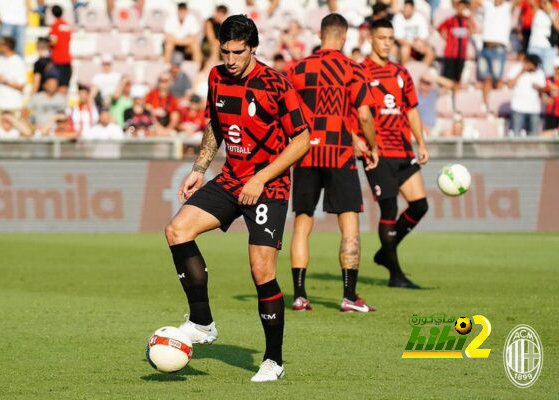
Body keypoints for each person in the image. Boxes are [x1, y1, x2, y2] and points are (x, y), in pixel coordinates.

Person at [164, 15, 310, 382]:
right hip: (231, 180)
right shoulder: (216, 77)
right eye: (225, 51)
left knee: (261, 271)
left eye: (238, 52)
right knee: (177, 230)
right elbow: (215, 122)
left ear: (253, 49)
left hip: (268, 186)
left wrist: (261, 178)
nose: (230, 59)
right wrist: (200, 167)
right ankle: (201, 321)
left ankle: (273, 360)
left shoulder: (276, 84)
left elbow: (302, 140)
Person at [286, 13, 379, 313]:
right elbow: (364, 115)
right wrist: (372, 146)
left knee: (302, 223)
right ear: (344, 36)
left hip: (305, 153)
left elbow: (288, 113)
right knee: (349, 224)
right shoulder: (353, 69)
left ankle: (299, 295)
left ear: (320, 33)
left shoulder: (297, 69)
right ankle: (349, 297)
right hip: (338, 153)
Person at [361, 19, 429, 289]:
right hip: (378, 152)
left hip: (402, 149)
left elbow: (411, 109)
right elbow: (355, 112)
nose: (387, 42)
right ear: (371, 39)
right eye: (382, 37)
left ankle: (385, 253)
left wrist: (421, 143)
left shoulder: (401, 73)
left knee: (420, 206)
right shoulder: (361, 72)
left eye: (391, 38)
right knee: (389, 208)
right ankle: (395, 274)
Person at [476, 0, 512, 105]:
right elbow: (475, 2)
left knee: (497, 79)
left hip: (498, 48)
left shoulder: (507, 7)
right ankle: (485, 104)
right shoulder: (487, 4)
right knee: (486, 78)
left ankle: (495, 105)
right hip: (485, 47)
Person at [437, 0, 474, 88]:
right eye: (459, 7)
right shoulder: (450, 20)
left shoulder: (467, 21)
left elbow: (473, 30)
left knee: (458, 80)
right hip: (450, 54)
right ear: (456, 8)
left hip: (461, 55)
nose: (461, 9)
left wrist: (470, 18)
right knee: (447, 80)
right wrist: (444, 36)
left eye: (463, 7)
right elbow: (439, 28)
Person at [507, 53, 546, 136]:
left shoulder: (539, 72)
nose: (535, 67)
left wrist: (539, 88)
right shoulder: (516, 68)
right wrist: (521, 72)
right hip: (518, 108)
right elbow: (510, 85)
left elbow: (543, 89)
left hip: (534, 109)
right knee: (516, 135)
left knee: (533, 137)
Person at [0, 37, 27, 126]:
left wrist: (5, 82)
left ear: (7, 47)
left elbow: (21, 86)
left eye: (1, 45)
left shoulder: (18, 62)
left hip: (13, 104)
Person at [392, 0, 434, 65]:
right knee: (405, 50)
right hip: (404, 45)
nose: (406, 11)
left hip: (418, 44)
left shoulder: (420, 17)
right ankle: (405, 72)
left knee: (430, 51)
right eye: (405, 8)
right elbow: (399, 39)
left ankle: (422, 70)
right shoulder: (398, 17)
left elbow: (424, 35)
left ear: (413, 9)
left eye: (409, 9)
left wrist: (419, 43)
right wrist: (413, 44)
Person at [163, 2, 202, 67]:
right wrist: (182, 41)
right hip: (175, 43)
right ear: (178, 11)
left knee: (195, 46)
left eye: (183, 11)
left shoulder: (191, 18)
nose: (182, 13)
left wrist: (179, 41)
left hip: (185, 45)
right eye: (180, 11)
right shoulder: (171, 18)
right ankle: (166, 67)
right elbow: (168, 36)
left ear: (186, 11)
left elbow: (194, 37)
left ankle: (196, 68)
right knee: (168, 45)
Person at [49, 5, 73, 95]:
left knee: (57, 87)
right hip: (67, 60)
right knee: (65, 86)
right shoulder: (67, 25)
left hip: (58, 60)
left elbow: (53, 42)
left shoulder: (55, 26)